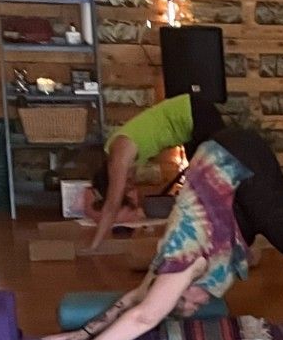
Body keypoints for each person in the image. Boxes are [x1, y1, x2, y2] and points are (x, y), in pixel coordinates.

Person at [42, 129, 283, 340]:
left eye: (189, 304)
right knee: (269, 229)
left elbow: (144, 316)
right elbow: (132, 299)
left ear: (181, 287)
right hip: (222, 186)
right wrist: (83, 332)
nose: (203, 302)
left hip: (234, 156)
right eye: (193, 307)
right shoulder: (168, 271)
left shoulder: (184, 262)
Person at [85, 92, 225, 253]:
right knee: (202, 184)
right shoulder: (117, 152)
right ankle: (210, 238)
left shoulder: (119, 158)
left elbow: (112, 205)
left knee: (215, 180)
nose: (131, 184)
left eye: (126, 184)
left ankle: (223, 239)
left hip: (193, 112)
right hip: (189, 121)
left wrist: (93, 246)